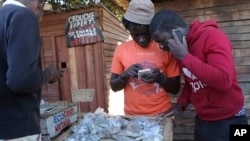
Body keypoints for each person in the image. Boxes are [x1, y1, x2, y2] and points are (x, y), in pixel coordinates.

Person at [149, 9, 248, 141]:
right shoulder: (181, 50)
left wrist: (185, 57)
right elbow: (192, 80)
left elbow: (224, 81)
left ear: (175, 30)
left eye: (161, 40)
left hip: (231, 118)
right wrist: (180, 104)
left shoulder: (213, 36)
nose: (161, 46)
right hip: (204, 120)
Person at [0, 0, 63, 140]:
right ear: (40, 4)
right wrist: (49, 74)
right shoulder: (23, 15)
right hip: (17, 129)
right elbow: (21, 80)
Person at [110, 0, 181, 116]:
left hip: (161, 115)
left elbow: (175, 88)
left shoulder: (165, 46)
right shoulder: (121, 50)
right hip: (132, 116)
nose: (141, 40)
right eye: (135, 35)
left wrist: (160, 78)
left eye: (145, 33)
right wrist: (125, 75)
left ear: (153, 28)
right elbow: (114, 86)